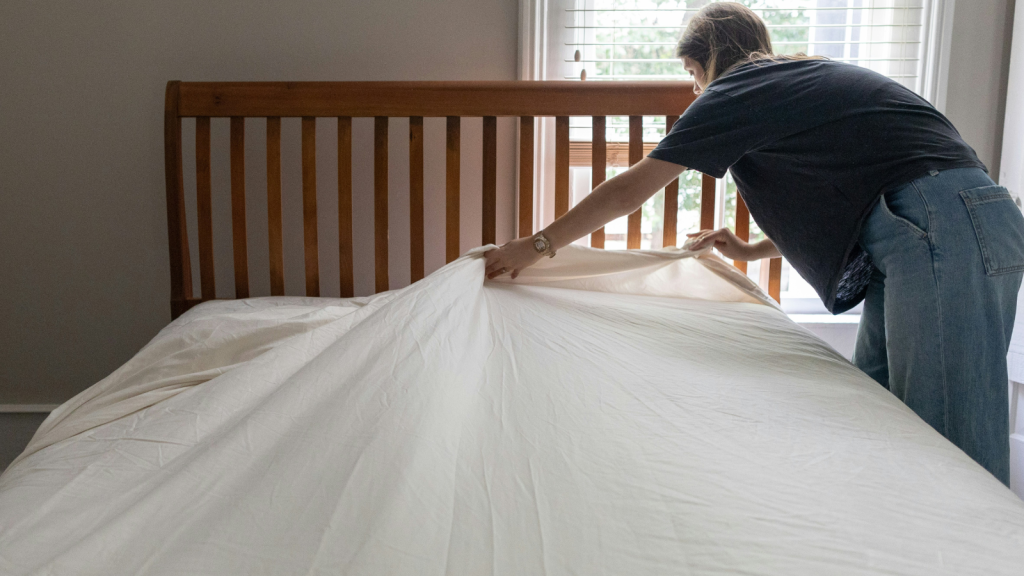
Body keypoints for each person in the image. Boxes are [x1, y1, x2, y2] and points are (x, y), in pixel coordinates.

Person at [483, 1, 1024, 485]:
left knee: (955, 444)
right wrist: (749, 250)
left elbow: (631, 189)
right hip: (940, 225)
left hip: (941, 227)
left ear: (707, 62)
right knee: (886, 410)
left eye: (693, 77)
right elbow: (855, 199)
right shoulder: (797, 81)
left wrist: (533, 247)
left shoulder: (737, 89)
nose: (695, 91)